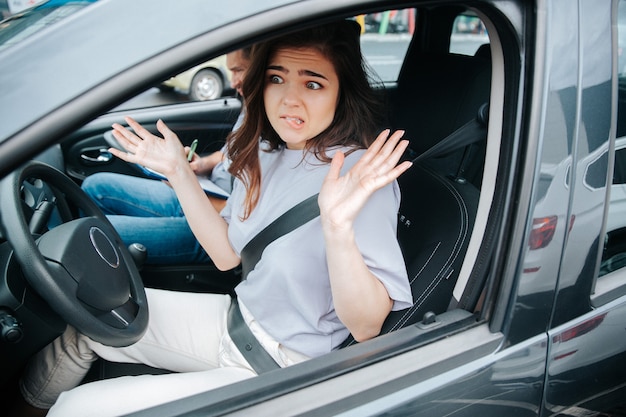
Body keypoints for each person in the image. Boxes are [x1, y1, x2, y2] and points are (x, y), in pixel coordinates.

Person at [13, 20, 413, 417]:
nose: (289, 100)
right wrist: (179, 172)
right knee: (92, 317)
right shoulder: (267, 150)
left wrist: (337, 228)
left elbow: (365, 327)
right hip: (235, 322)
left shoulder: (361, 177)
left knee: (78, 408)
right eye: (277, 78)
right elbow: (227, 256)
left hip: (285, 366)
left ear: (342, 93)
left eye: (313, 83)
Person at [79, 47, 251, 265]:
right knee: (96, 186)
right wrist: (202, 164)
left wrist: (183, 180)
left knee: (92, 233)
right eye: (231, 71)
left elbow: (244, 217)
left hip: (217, 220)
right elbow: (228, 153)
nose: (233, 81)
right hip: (205, 190)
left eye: (239, 70)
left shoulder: (280, 134)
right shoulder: (251, 109)